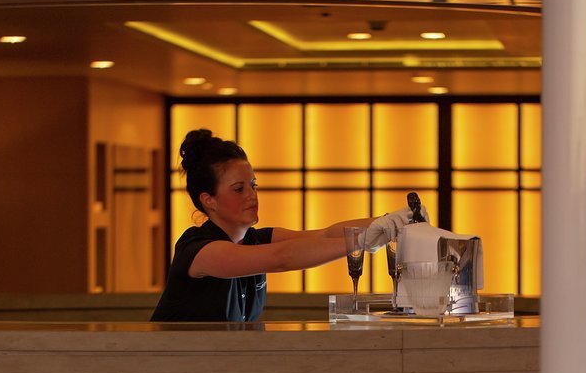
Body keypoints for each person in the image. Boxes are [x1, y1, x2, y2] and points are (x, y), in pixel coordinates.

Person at [150, 129, 424, 322]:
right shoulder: (200, 249)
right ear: (208, 200)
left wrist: (391, 220)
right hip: (166, 370)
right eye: (239, 188)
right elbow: (281, 258)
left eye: (253, 185)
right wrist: (362, 241)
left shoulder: (255, 239)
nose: (252, 195)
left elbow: (325, 235)